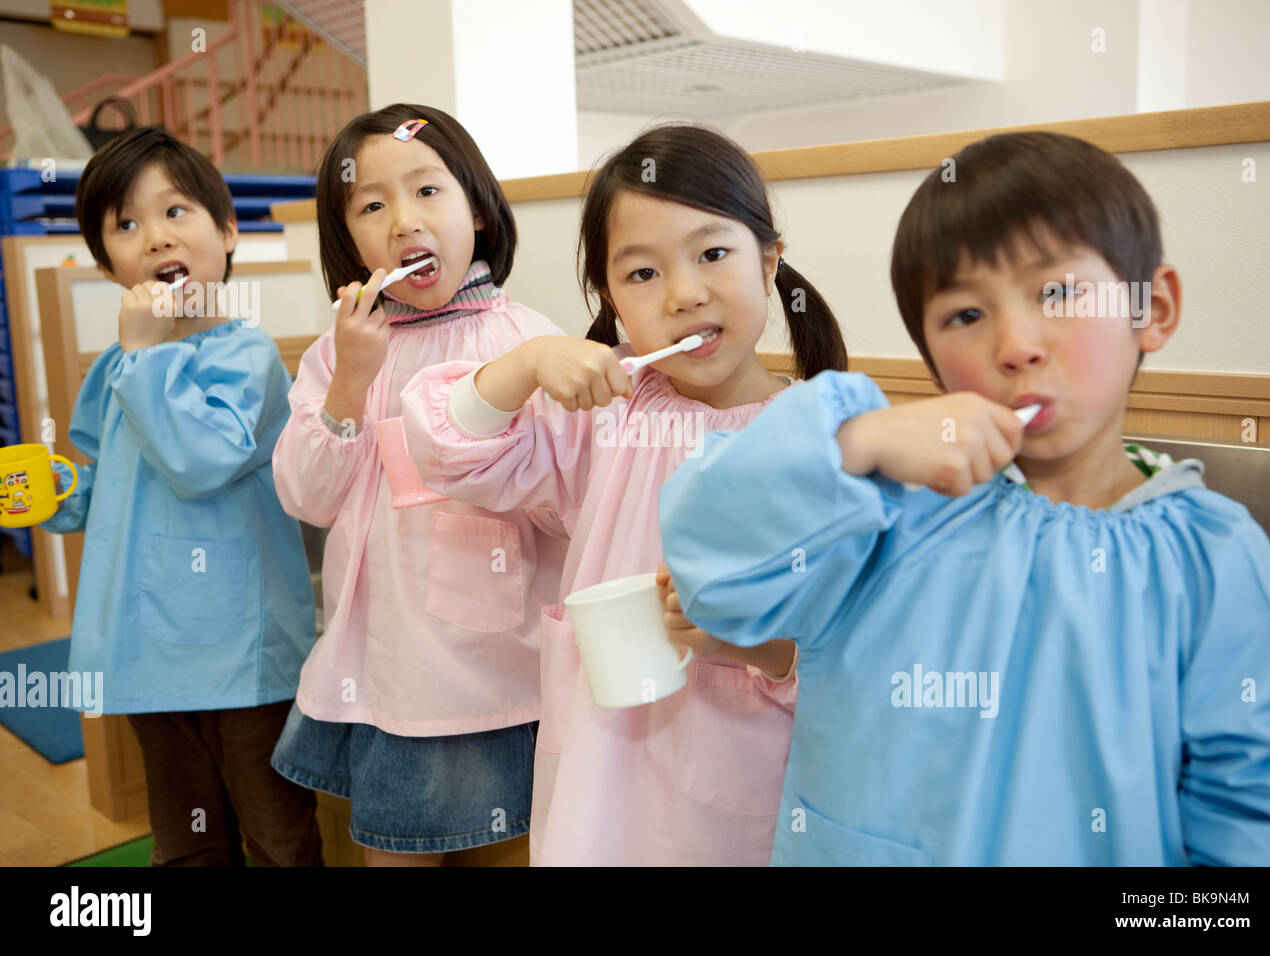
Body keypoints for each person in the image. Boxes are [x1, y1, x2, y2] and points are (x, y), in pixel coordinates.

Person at [659, 131, 1270, 865]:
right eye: (966, 315)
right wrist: (852, 441)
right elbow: (709, 566)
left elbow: (1252, 817)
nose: (1016, 344)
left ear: (1149, 307)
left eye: (1056, 292)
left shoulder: (1214, 555)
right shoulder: (882, 505)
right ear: (933, 359)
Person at [400, 124, 847, 865]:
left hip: (744, 796)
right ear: (607, 295)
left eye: (712, 254)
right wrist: (528, 361)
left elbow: (843, 654)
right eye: (642, 274)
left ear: (769, 260)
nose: (684, 294)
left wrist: (745, 647)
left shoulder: (823, 442)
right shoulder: (603, 413)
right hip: (595, 790)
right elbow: (447, 448)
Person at [270, 104, 567, 866]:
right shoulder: (341, 355)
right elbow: (307, 498)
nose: (404, 220)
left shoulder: (529, 341)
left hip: (508, 675)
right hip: (388, 676)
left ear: (478, 207)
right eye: (372, 205)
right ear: (349, 240)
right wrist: (350, 384)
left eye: (428, 191)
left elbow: (567, 505)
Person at [46, 125, 321, 866]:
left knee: (276, 833)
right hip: (146, 652)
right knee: (186, 841)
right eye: (128, 225)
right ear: (109, 266)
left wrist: (145, 355)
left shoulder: (247, 354)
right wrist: (58, 490)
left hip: (241, 650)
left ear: (227, 231)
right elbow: (110, 484)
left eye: (176, 212)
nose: (157, 237)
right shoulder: (114, 369)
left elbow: (200, 459)